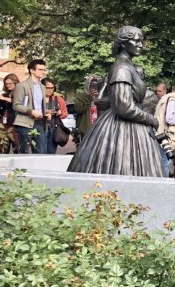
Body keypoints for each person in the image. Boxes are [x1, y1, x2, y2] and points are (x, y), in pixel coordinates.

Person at [69, 28, 165, 177]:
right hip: (123, 127)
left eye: (141, 40)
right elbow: (123, 107)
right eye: (136, 40)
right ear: (123, 43)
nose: (140, 44)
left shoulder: (128, 67)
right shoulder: (122, 69)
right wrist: (151, 119)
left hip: (131, 126)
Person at [12, 59, 49, 153]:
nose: (43, 72)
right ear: (32, 70)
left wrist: (47, 113)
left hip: (40, 123)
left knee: (40, 152)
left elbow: (40, 106)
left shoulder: (43, 87)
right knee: (24, 152)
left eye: (44, 70)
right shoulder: (22, 86)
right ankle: (22, 168)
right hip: (25, 123)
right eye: (40, 69)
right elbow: (16, 105)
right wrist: (31, 111)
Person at [154, 81, 175, 176]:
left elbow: (169, 119)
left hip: (165, 134)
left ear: (165, 91)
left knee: (166, 158)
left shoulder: (168, 100)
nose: (158, 93)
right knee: (164, 158)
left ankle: (166, 176)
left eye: (160, 91)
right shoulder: (158, 101)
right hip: (160, 134)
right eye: (156, 91)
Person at [0, 73, 19, 152]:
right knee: (3, 149)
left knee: (17, 148)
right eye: (6, 84)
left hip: (15, 124)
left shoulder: (19, 93)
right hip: (4, 124)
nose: (8, 85)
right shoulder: (5, 94)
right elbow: (0, 110)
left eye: (10, 83)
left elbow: (17, 103)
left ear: (16, 83)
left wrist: (3, 98)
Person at [71, 75, 103, 144]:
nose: (94, 88)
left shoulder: (102, 97)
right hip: (85, 131)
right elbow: (78, 109)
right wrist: (91, 98)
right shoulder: (81, 97)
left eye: (97, 86)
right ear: (88, 86)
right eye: (92, 86)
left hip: (99, 130)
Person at [41, 78, 70, 154]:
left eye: (52, 88)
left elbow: (65, 113)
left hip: (53, 128)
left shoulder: (58, 99)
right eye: (47, 88)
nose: (50, 90)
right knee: (40, 152)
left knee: (51, 152)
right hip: (40, 127)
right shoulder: (37, 98)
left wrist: (60, 113)